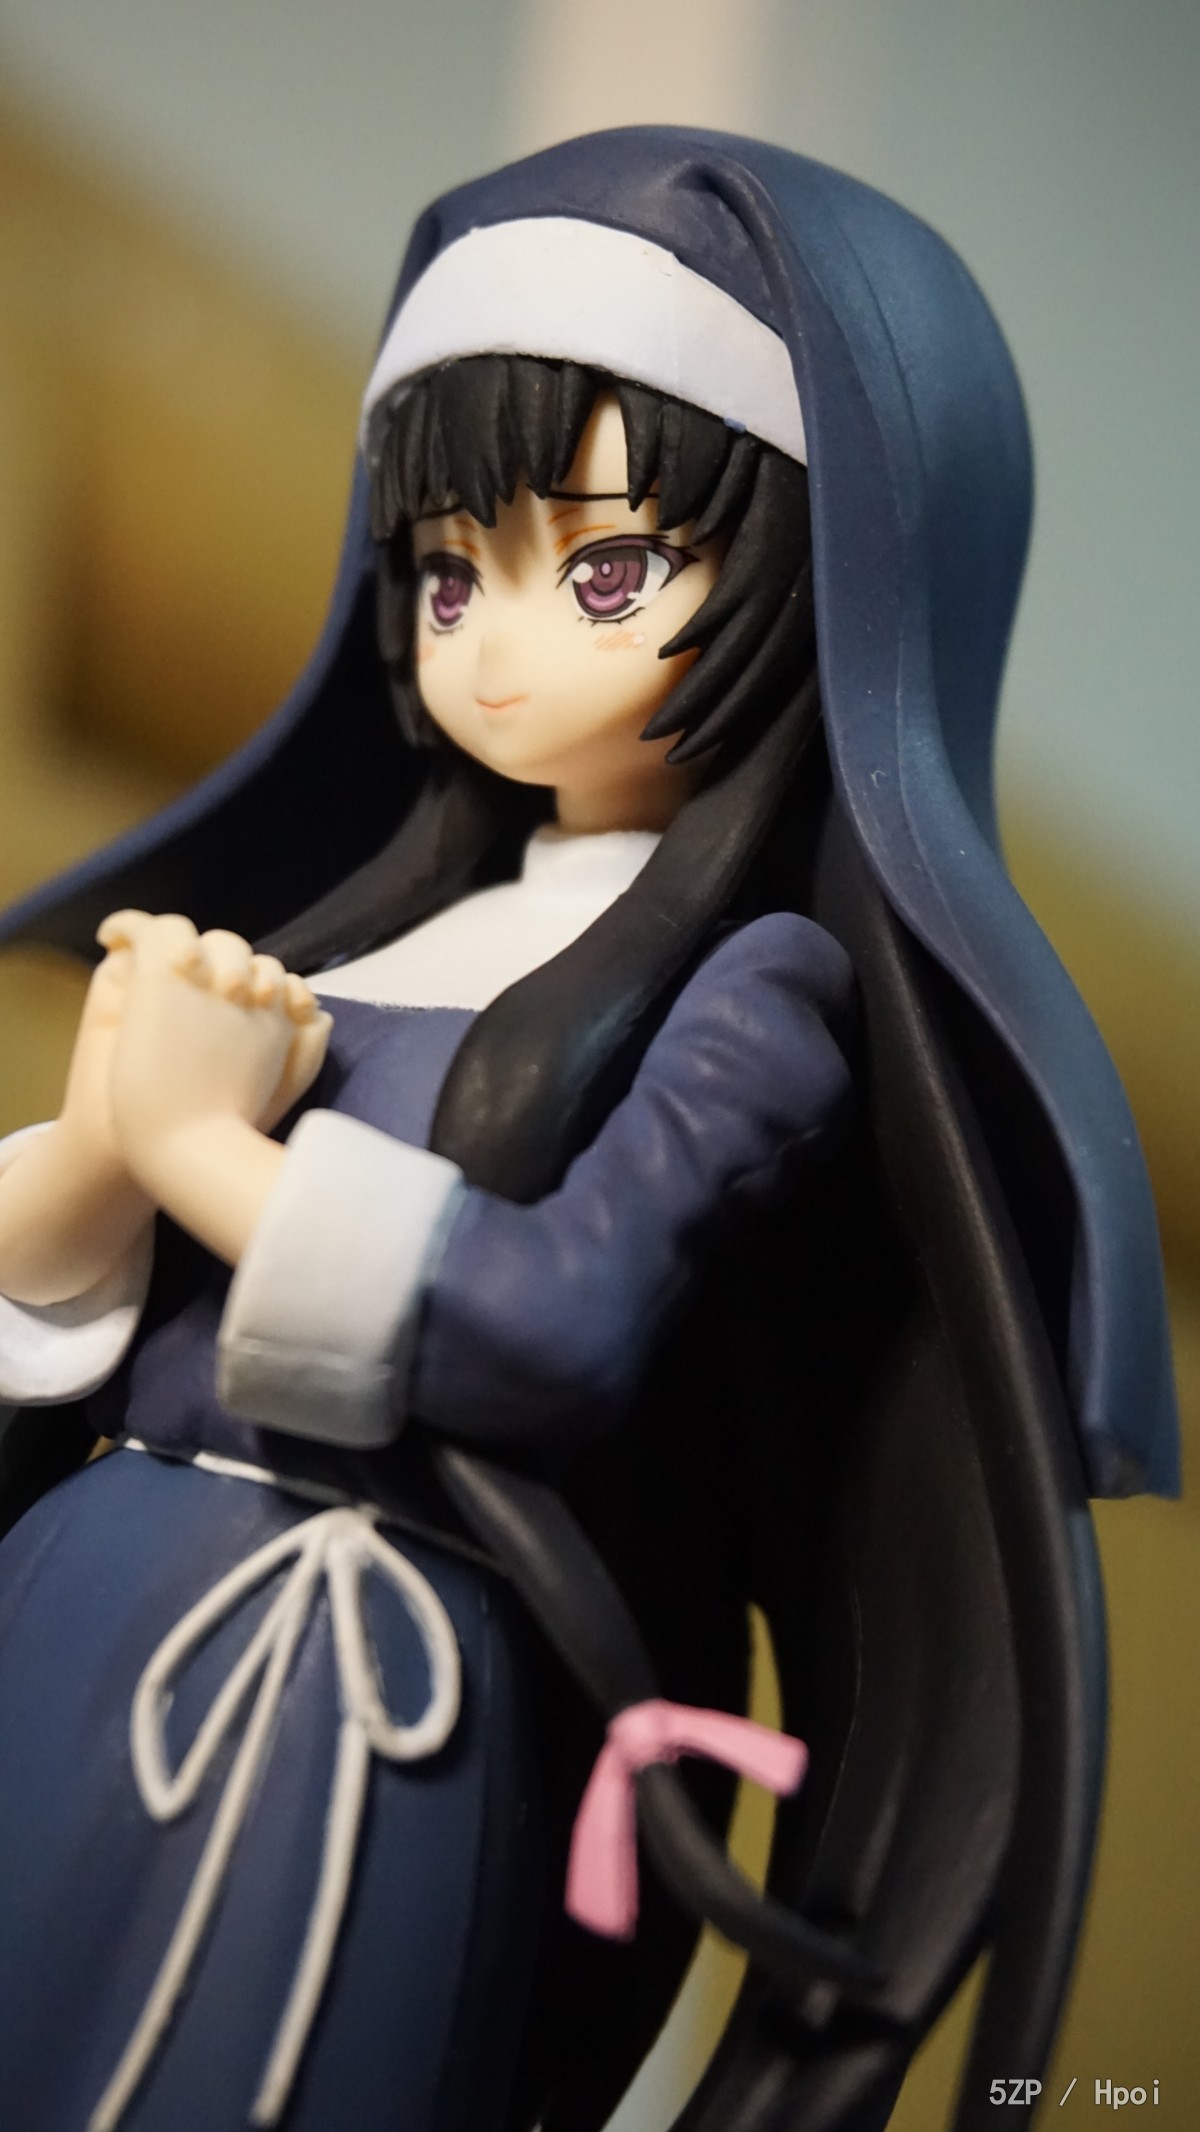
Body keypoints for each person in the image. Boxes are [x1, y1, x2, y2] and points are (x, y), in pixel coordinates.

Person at [0, 129, 1178, 2132]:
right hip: (83, 1591)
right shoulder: (344, 940)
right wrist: (110, 1147)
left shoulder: (754, 992)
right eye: (448, 574)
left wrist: (203, 1153)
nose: (497, 640)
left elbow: (554, 1326)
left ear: (810, 580)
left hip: (348, 1693)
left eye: (608, 571)